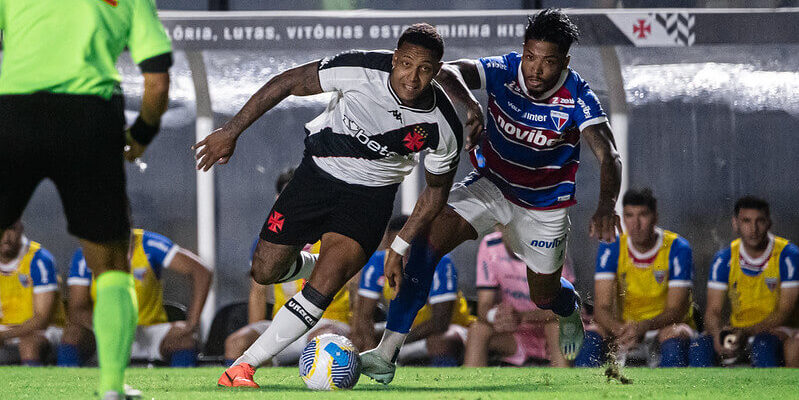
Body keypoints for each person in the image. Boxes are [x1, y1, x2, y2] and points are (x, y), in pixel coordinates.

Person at [194, 23, 482, 388]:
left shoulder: (442, 126)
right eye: (406, 64)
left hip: (369, 200)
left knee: (323, 287)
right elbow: (288, 82)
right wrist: (231, 131)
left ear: (437, 71)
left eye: (425, 69)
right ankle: (320, 265)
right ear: (395, 58)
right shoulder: (359, 68)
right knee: (264, 271)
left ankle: (243, 367)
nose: (413, 77)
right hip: (316, 177)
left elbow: (436, 191)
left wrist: (399, 244)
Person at [360, 8, 621, 384]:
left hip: (544, 207)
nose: (535, 69)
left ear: (564, 62)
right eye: (530, 56)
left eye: (548, 62)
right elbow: (447, 70)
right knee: (427, 241)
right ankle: (386, 355)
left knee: (543, 295)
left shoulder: (578, 94)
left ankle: (568, 310)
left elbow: (608, 154)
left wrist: (606, 206)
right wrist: (471, 106)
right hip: (491, 185)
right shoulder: (504, 69)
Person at [0, 0, 171, 397]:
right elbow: (158, 82)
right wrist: (140, 136)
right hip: (89, 118)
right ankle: (111, 387)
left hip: (13, 115)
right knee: (111, 267)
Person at [575, 188, 694, 368]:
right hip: (624, 329)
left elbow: (676, 310)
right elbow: (602, 308)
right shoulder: (612, 246)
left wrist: (643, 327)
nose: (635, 224)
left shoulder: (677, 247)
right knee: (591, 334)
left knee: (675, 335)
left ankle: (672, 392)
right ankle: (585, 393)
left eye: (643, 215)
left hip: (663, 327)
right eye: (629, 215)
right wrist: (622, 331)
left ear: (655, 217)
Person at [58, 229, 211, 368]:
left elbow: (201, 271)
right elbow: (77, 309)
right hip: (106, 332)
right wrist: (106, 326)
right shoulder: (86, 254)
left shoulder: (149, 244)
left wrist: (192, 322)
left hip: (149, 330)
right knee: (72, 334)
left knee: (185, 338)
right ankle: (64, 391)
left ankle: (180, 394)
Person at [352, 215, 475, 367]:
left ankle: (436, 380)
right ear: (387, 244)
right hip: (403, 328)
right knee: (357, 336)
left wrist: (392, 345)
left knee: (443, 342)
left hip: (445, 328)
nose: (401, 255)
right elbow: (364, 317)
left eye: (407, 248)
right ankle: (369, 369)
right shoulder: (377, 263)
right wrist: (370, 345)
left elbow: (440, 322)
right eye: (395, 249)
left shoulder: (440, 262)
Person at [691, 196, 799, 367]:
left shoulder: (788, 255)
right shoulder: (724, 259)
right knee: (700, 347)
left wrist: (747, 332)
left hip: (777, 330)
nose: (753, 229)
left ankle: (768, 394)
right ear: (735, 224)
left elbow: (784, 313)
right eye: (746, 221)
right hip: (738, 332)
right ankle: (704, 394)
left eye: (760, 221)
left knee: (764, 347)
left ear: (769, 223)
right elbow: (713, 311)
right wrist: (719, 334)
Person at [223, 239, 353, 367]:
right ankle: (241, 382)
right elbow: (258, 292)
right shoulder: (270, 241)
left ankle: (326, 383)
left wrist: (357, 332)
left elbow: (354, 286)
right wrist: (255, 346)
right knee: (236, 343)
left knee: (323, 340)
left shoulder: (337, 238)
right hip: (283, 323)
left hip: (328, 321)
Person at [464, 230, 570, 367]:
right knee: (477, 330)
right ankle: (471, 385)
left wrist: (522, 317)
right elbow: (484, 307)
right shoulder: (490, 245)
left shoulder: (551, 247)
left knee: (556, 327)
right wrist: (497, 316)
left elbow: (565, 308)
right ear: (499, 226)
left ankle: (562, 382)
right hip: (515, 335)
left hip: (548, 333)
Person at [0, 221, 65, 366]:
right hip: (6, 331)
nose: (5, 237)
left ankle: (31, 387)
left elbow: (42, 319)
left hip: (45, 331)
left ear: (21, 228)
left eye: (10, 229)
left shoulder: (38, 259)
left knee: (29, 344)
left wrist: (4, 335)